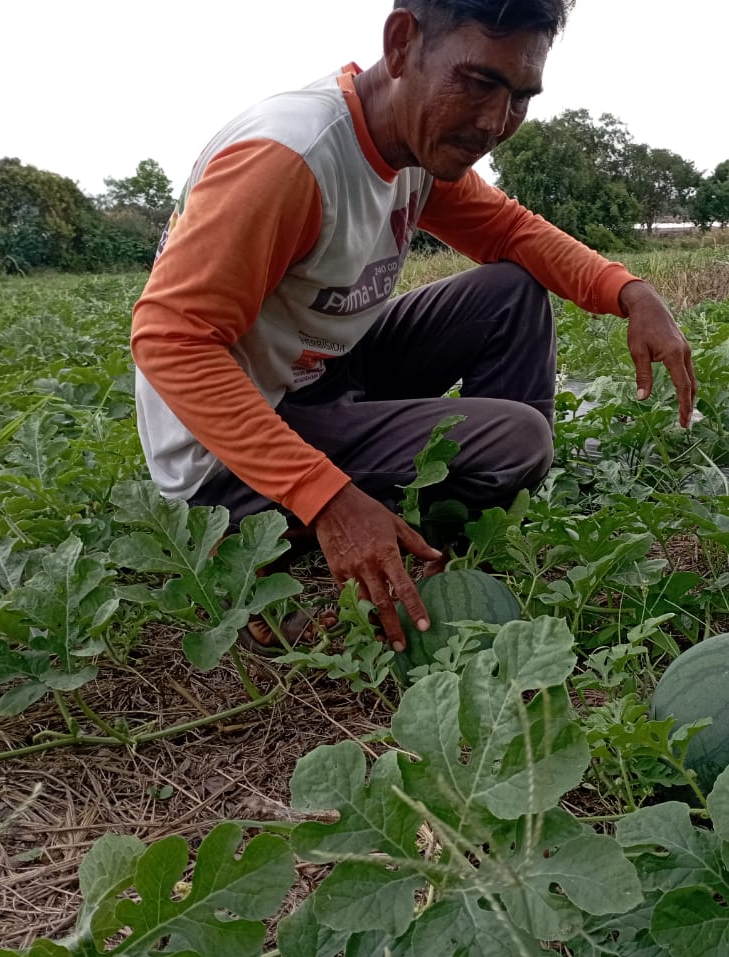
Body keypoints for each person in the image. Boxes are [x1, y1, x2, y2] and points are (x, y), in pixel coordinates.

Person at [130, 0, 696, 650]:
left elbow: (508, 230)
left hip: (319, 374)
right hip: (227, 457)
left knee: (509, 291)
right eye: (480, 82)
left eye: (519, 96)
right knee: (515, 439)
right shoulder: (290, 160)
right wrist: (326, 496)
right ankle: (304, 524)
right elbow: (170, 339)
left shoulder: (416, 145)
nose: (494, 122)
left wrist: (631, 292)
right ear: (402, 44)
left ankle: (470, 520)